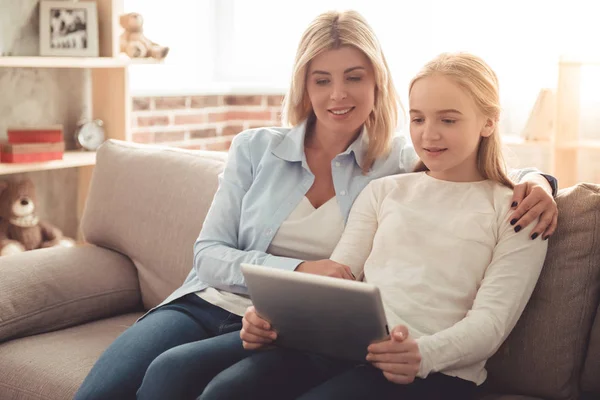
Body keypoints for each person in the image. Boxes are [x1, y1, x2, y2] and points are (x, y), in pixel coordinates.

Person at [74, 10, 557, 400]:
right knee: (137, 381)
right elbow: (208, 255)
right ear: (303, 86)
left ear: (377, 83)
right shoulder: (256, 149)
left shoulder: (396, 162)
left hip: (302, 329)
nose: (338, 94)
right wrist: (301, 271)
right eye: (321, 79)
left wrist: (540, 181)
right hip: (214, 303)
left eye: (354, 77)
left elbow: (472, 173)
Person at [232, 52, 549, 400]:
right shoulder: (384, 191)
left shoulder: (519, 211)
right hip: (351, 352)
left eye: (448, 120)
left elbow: (491, 323)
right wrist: (272, 319)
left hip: (439, 374)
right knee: (227, 389)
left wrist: (421, 354)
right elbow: (339, 280)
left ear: (489, 122)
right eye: (417, 119)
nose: (429, 135)